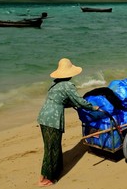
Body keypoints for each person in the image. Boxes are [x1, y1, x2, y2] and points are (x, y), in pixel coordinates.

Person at [37, 58, 100, 187]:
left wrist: (74, 105)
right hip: (53, 119)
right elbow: (80, 101)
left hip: (44, 117)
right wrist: (93, 107)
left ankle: (56, 169)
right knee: (51, 149)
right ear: (70, 73)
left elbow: (61, 101)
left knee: (53, 145)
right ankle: (44, 179)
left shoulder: (55, 85)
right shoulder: (68, 85)